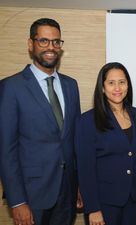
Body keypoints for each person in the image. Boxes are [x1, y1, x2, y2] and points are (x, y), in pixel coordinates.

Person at [0, 18, 81, 225]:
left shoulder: (71, 86)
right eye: (43, 41)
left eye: (56, 42)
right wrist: (17, 202)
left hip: (67, 193)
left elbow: (74, 141)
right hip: (31, 195)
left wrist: (80, 186)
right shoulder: (11, 87)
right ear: (30, 44)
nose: (51, 47)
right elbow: (6, 149)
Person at [75, 62, 136, 225]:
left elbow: (135, 157)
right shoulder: (87, 121)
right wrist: (93, 209)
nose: (117, 88)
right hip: (104, 203)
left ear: (128, 85)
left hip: (133, 200)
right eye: (111, 83)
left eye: (122, 82)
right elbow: (85, 169)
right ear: (103, 87)